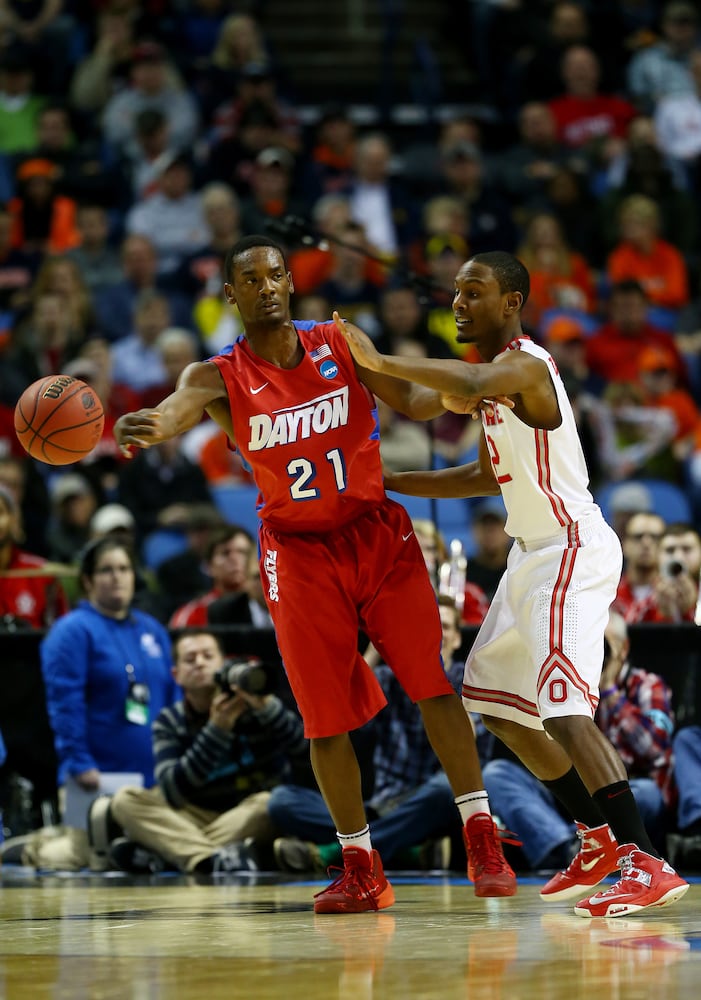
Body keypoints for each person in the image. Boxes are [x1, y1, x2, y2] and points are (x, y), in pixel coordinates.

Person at [114, 234, 517, 914]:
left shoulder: (339, 339)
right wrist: (150, 426)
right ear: (231, 294)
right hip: (297, 553)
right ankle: (360, 864)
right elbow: (175, 413)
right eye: (251, 278)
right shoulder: (216, 376)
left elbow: (412, 402)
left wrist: (465, 394)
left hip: (376, 534)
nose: (267, 285)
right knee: (323, 721)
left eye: (276, 273)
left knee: (431, 682)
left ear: (289, 284)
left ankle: (479, 830)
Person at [336, 249, 688, 918]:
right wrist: (384, 483)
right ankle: (596, 842)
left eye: (473, 293)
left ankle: (646, 862)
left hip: (569, 550)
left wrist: (375, 356)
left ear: (511, 303)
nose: (458, 304)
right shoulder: (493, 387)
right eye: (456, 293)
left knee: (562, 710)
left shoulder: (524, 365)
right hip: (530, 557)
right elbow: (472, 467)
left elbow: (462, 382)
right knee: (494, 704)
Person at [271, 596, 478, 874]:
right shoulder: (390, 678)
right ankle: (408, 851)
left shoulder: (469, 679)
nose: (432, 632)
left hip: (435, 806)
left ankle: (337, 853)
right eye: (422, 624)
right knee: (283, 801)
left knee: (442, 791)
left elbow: (472, 740)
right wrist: (379, 646)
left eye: (443, 626)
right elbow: (343, 704)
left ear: (456, 638)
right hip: (384, 806)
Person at [13, 536, 177, 871]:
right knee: (87, 859)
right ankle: (33, 848)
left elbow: (174, 694)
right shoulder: (71, 631)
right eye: (106, 570)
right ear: (87, 581)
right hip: (97, 776)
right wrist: (78, 761)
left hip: (151, 779)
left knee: (143, 855)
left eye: (124, 569)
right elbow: (63, 703)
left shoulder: (152, 630)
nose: (117, 577)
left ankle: (57, 835)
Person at [107, 629, 307, 875]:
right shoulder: (169, 720)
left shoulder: (258, 707)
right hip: (191, 814)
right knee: (125, 800)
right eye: (190, 659)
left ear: (223, 664)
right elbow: (172, 791)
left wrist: (269, 709)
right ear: (176, 675)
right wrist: (217, 730)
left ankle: (172, 854)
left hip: (247, 813)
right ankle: (211, 860)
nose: (200, 663)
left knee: (270, 803)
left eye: (207, 656)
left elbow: (305, 751)